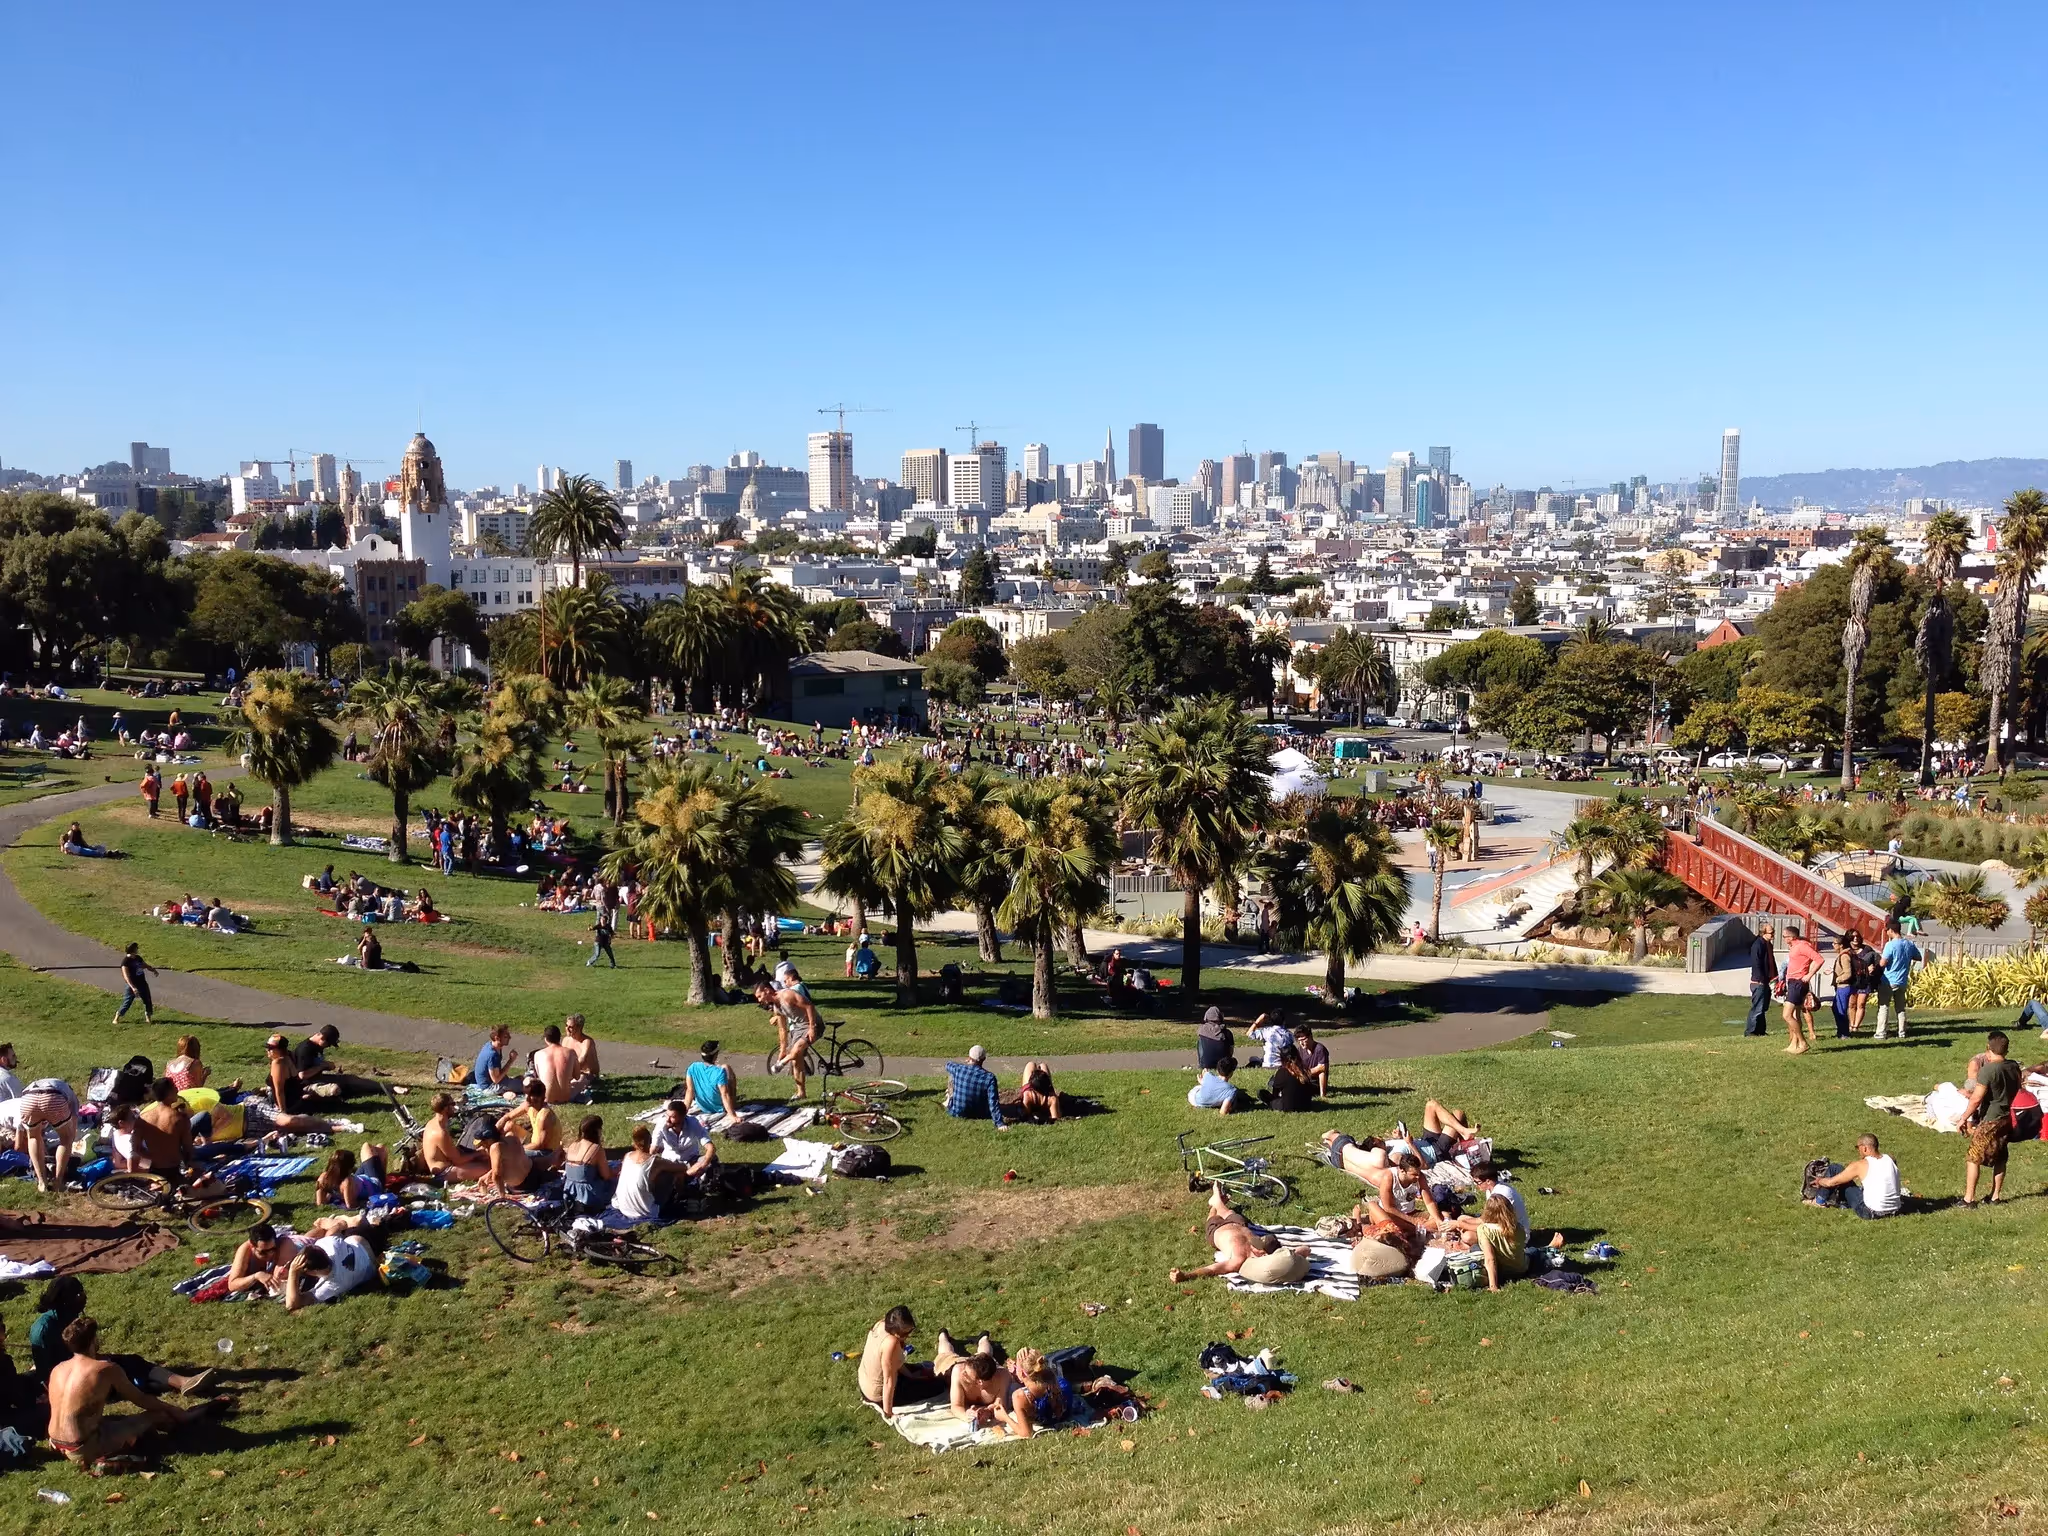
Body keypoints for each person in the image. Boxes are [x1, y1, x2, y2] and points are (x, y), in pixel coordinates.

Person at [45, 1316, 207, 1470]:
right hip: (82, 1448)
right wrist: (172, 1409)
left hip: (55, 1444)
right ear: (93, 1341)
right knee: (157, 1416)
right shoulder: (104, 1368)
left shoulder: (58, 1369)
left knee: (113, 1421)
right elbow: (141, 1399)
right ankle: (187, 1428)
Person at [1167, 1182, 1311, 1285]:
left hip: (1217, 1230)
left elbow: (1213, 1269)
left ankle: (1215, 1202)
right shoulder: (1268, 1251)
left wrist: (1186, 1276)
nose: (1255, 1241)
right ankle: (1218, 1201)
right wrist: (1292, 1253)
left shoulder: (1239, 1259)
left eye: (1258, 1244)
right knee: (1228, 1211)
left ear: (1262, 1254)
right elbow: (1306, 1249)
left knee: (1212, 1217)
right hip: (1238, 1224)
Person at [858, 1305, 951, 1417]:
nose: (907, 1336)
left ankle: (914, 1378)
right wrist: (888, 1412)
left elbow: (895, 1364)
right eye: (905, 1333)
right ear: (896, 1333)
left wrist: (911, 1376)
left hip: (865, 1383)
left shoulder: (881, 1324)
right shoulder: (891, 1343)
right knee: (939, 1385)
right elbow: (888, 1381)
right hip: (878, 1394)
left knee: (924, 1370)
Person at [1963, 1030, 2020, 1207]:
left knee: (1973, 1157)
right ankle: (1995, 1197)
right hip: (2006, 1117)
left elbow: (1976, 1099)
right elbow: (2018, 1087)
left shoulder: (1988, 1070)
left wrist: (1963, 1118)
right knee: (2000, 1157)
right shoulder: (2014, 1066)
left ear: (1988, 1047)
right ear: (2006, 1049)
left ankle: (1969, 1199)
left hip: (1990, 1119)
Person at [284, 1214, 380, 1310]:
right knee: (332, 1233)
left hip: (369, 1260)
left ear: (314, 1272)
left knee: (337, 1230)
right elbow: (331, 1235)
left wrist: (293, 1273)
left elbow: (291, 1305)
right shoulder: (329, 1244)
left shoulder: (332, 1286)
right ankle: (339, 1221)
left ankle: (341, 1221)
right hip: (363, 1242)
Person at [755, 974, 823, 1101]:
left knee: (796, 1050)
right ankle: (801, 1093)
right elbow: (782, 1029)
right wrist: (782, 1050)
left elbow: (809, 1006)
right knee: (796, 1060)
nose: (759, 1000)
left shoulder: (787, 995)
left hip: (813, 1024)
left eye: (759, 996)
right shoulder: (776, 1008)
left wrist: (812, 1027)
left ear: (767, 990)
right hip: (798, 1028)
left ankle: (780, 1064)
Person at [1807, 1132, 1903, 1218]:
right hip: (1895, 1211)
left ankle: (1819, 1201)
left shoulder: (1860, 1165)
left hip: (1871, 1212)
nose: (1858, 1151)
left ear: (1864, 1148)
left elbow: (1831, 1183)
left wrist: (1819, 1181)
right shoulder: (1890, 1159)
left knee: (1835, 1168)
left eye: (1858, 1147)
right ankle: (1839, 1201)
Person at [17, 1075, 80, 1193]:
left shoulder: (50, 1084)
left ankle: (42, 1182)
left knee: (33, 1137)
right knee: (66, 1139)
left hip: (28, 1099)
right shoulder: (72, 1097)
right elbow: (73, 1125)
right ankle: (58, 1182)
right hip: (54, 1098)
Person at [293, 1024, 380, 1100]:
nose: (328, 1046)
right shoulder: (305, 1050)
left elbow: (315, 1064)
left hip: (318, 1078)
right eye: (329, 1044)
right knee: (337, 1088)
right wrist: (322, 1066)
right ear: (322, 1038)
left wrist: (327, 1065)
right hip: (307, 1083)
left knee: (351, 1079)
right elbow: (302, 1075)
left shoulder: (317, 1045)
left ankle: (383, 1087)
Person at [421, 1091, 489, 1181]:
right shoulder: (440, 1133)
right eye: (453, 1104)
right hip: (444, 1172)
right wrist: (479, 1153)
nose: (455, 1107)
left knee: (482, 1159)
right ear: (445, 1108)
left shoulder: (432, 1123)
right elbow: (458, 1160)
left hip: (448, 1163)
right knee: (489, 1166)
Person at [611, 1123, 673, 1221]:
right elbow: (680, 1167)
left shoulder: (627, 1156)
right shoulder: (654, 1161)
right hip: (645, 1212)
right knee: (669, 1175)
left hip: (623, 1208)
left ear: (634, 1143)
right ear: (650, 1142)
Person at [500, 1078, 563, 1173]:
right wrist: (493, 1132)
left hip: (546, 1152)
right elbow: (508, 1116)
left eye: (531, 1095)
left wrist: (516, 1149)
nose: (527, 1098)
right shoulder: (529, 1105)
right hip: (533, 1140)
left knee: (510, 1155)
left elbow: (539, 1145)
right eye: (526, 1094)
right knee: (509, 1125)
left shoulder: (544, 1116)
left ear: (541, 1097)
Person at [226, 1222, 304, 1296]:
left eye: (272, 1249)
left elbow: (279, 1279)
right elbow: (232, 1285)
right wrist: (256, 1276)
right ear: (252, 1246)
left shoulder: (285, 1245)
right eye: (263, 1252)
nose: (270, 1254)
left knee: (307, 1238)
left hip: (299, 1243)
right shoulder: (245, 1250)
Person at [650, 1100, 716, 1186]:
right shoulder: (662, 1124)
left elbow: (711, 1148)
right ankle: (687, 1178)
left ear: (683, 1117)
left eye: (672, 1117)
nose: (668, 1120)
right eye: (667, 1115)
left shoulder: (693, 1123)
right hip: (669, 1163)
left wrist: (702, 1165)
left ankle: (684, 1177)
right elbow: (653, 1150)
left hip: (691, 1161)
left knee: (712, 1159)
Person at [559, 1115, 617, 1213]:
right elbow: (606, 1175)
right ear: (597, 1130)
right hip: (589, 1197)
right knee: (615, 1182)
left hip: (570, 1194)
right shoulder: (595, 1149)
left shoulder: (572, 1145)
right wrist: (617, 1171)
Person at [1874, 921, 1921, 1040]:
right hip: (1902, 981)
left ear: (1891, 930)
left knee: (1884, 1007)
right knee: (1900, 1008)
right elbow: (1918, 957)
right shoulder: (1909, 944)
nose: (1886, 932)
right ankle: (1902, 1032)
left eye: (1887, 930)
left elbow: (1883, 963)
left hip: (1888, 980)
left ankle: (1881, 1032)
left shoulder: (1890, 945)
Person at [943, 1045, 1008, 1130]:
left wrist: (965, 1063)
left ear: (969, 1057)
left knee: (952, 1075)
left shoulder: (959, 1069)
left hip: (956, 1112)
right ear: (984, 1059)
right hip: (980, 1114)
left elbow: (948, 1065)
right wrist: (999, 1123)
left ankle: (949, 1099)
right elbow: (993, 1101)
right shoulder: (989, 1077)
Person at [1781, 922, 1821, 1054]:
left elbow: (1819, 959)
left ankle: (1803, 1043)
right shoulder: (1795, 947)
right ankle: (1794, 1044)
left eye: (1784, 936)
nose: (1784, 939)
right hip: (1793, 982)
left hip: (1798, 983)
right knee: (1795, 1015)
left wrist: (1809, 975)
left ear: (1791, 937)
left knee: (1786, 1015)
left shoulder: (1802, 946)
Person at [472, 1121, 539, 1196]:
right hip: (534, 1175)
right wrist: (488, 1174)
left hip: (522, 1186)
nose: (483, 1146)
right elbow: (511, 1162)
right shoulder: (512, 1137)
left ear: (488, 1140)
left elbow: (497, 1175)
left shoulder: (495, 1147)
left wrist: (502, 1196)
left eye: (483, 1143)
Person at [685, 1040, 738, 1122]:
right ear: (715, 1055)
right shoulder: (719, 1072)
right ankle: (733, 1103)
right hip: (720, 1108)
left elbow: (690, 1090)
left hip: (703, 1107)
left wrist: (684, 1111)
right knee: (726, 1067)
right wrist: (733, 1115)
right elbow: (725, 1094)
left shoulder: (693, 1067)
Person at [532, 1024, 584, 1105]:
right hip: (566, 1097)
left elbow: (539, 1077)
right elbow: (577, 1076)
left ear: (545, 1039)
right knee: (583, 1078)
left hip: (547, 1098)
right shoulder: (571, 1052)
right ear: (560, 1037)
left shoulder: (538, 1054)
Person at [1260, 1041, 1316, 1113]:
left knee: (1262, 1093)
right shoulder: (1305, 1069)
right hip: (1306, 1106)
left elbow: (1275, 1093)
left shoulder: (1282, 1072)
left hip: (1288, 1107)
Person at [1745, 922, 1776, 1037]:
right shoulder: (1758, 945)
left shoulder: (1768, 945)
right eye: (1771, 932)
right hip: (1759, 982)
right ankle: (1750, 1031)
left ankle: (1761, 1030)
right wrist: (1760, 980)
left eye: (1773, 932)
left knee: (1763, 1008)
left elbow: (1771, 962)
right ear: (1763, 933)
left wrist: (1774, 977)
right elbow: (1756, 964)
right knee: (1757, 1008)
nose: (1773, 934)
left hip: (1766, 981)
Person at [114, 942, 158, 1025]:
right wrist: (133, 987)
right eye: (136, 948)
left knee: (147, 1000)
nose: (138, 949)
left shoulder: (138, 958)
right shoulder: (125, 962)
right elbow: (126, 976)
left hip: (142, 983)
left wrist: (153, 970)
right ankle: (117, 1016)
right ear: (132, 950)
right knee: (127, 1002)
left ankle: (148, 1017)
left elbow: (144, 965)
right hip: (132, 985)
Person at [473, 1025, 520, 1091]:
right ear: (497, 1038)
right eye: (506, 1036)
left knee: (521, 1079)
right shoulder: (492, 1055)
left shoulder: (491, 1045)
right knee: (528, 1086)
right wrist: (511, 1060)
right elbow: (496, 1080)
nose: (510, 1037)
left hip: (490, 1081)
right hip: (489, 1087)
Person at [563, 1013, 601, 1092]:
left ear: (579, 1027)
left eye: (571, 1027)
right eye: (566, 1025)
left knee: (573, 1085)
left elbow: (581, 1061)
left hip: (587, 1075)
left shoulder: (587, 1042)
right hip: (572, 1073)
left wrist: (567, 1072)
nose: (567, 1029)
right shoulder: (566, 1040)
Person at [1292, 1025, 1331, 1098]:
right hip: (1304, 1080)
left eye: (1303, 1040)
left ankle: (1323, 1094)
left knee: (1322, 1072)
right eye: (1299, 1041)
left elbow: (1322, 1068)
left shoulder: (1320, 1049)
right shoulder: (1300, 1050)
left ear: (1310, 1037)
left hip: (1314, 1083)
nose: (1301, 1043)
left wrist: (1305, 1073)